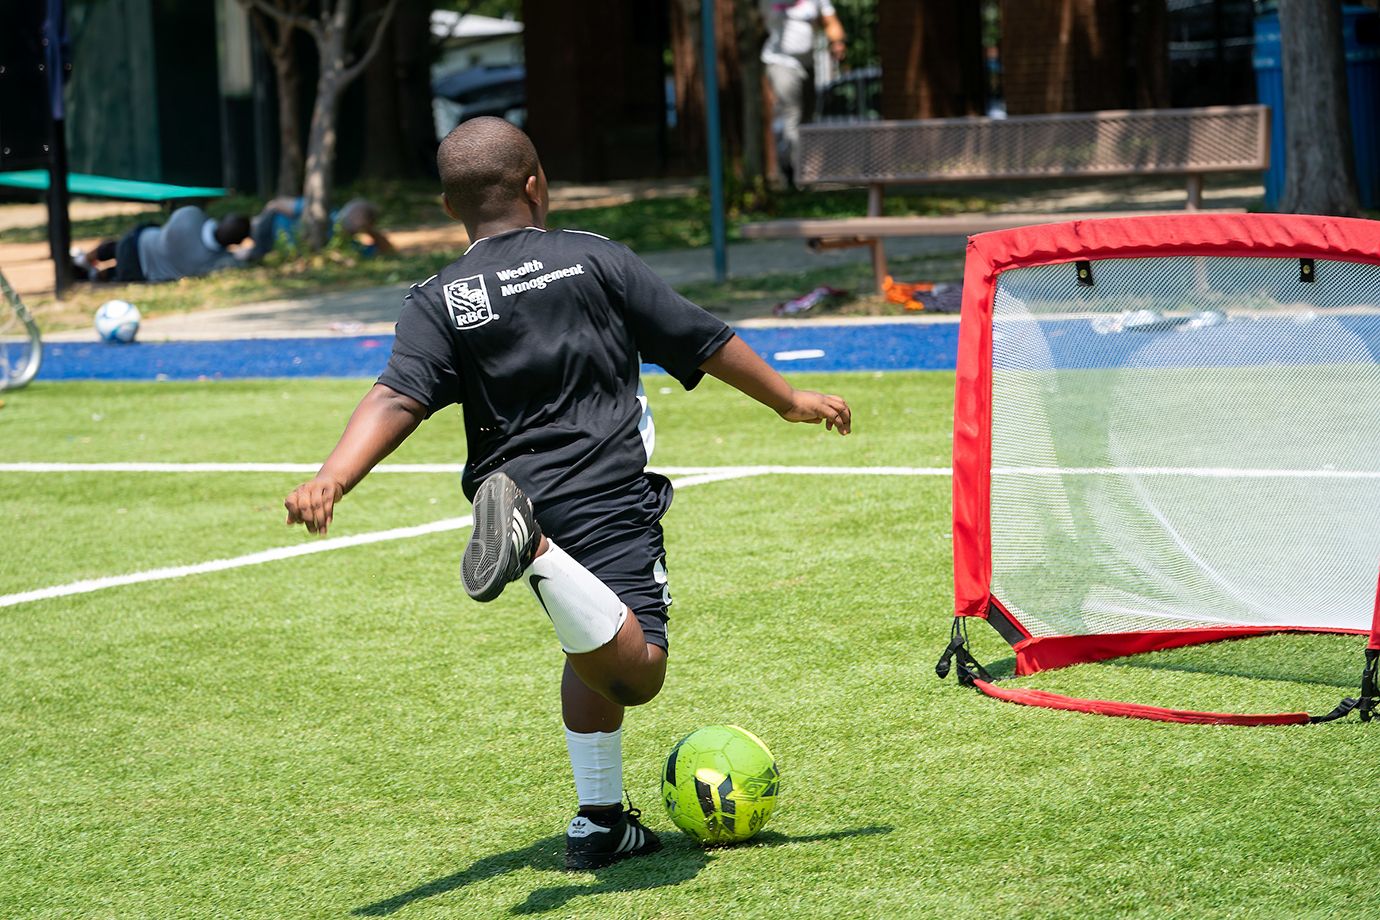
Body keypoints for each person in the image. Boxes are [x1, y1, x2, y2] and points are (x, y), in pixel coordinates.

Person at [282, 117, 851, 870]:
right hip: (606, 498)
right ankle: (535, 550)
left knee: (588, 644)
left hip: (517, 488)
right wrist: (786, 399)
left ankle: (601, 821)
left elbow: (397, 396)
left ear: (451, 210)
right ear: (535, 185)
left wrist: (334, 476)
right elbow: (700, 338)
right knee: (638, 669)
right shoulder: (594, 260)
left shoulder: (438, 298)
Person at [760, 0, 847, 186]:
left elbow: (830, 21)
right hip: (780, 62)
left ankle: (794, 167)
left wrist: (837, 42)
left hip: (807, 65)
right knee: (792, 113)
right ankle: (796, 173)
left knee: (807, 117)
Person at [71, 207, 250, 283]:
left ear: (224, 219)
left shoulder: (192, 214)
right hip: (140, 271)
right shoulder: (213, 261)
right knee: (114, 273)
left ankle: (83, 260)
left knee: (113, 247)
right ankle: (94, 275)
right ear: (237, 242)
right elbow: (242, 260)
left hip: (137, 241)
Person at [245, 196, 396, 261]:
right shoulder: (324, 213)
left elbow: (387, 250)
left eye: (364, 219)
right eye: (358, 214)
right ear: (348, 209)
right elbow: (276, 204)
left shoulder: (346, 244)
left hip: (272, 247)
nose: (359, 220)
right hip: (265, 226)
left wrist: (371, 230)